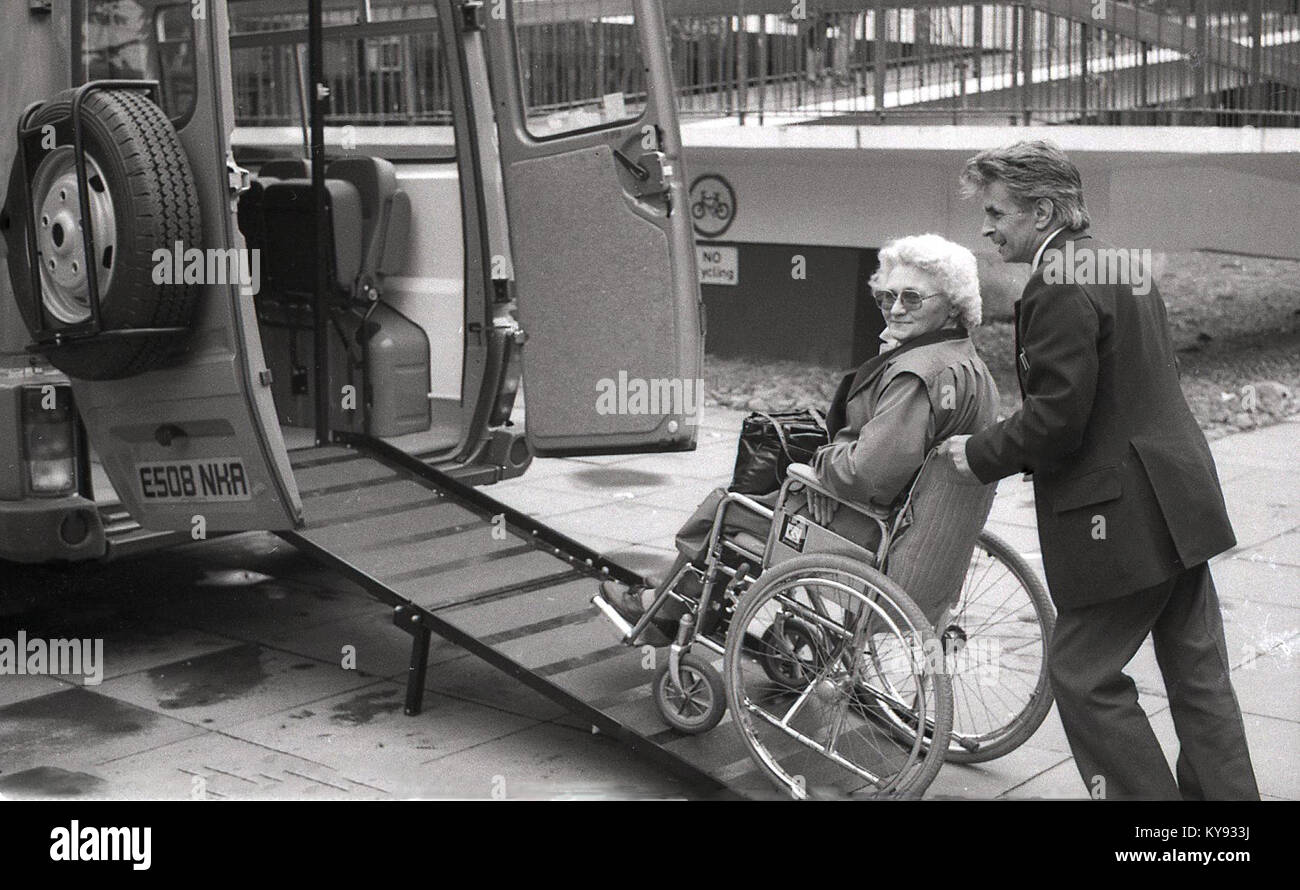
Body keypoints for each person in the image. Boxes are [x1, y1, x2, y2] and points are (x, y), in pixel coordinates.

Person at [941, 139, 1259, 800]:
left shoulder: (1056, 285)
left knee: (1082, 675)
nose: (986, 226)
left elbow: (1058, 420)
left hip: (1120, 518)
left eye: (998, 211)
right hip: (1179, 501)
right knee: (1198, 676)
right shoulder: (1114, 263)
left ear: (1045, 208)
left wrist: (977, 454)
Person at [601, 233, 999, 642]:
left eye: (912, 299)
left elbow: (868, 473)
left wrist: (818, 468)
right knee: (760, 499)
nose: (895, 309)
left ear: (952, 303)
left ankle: (665, 611)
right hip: (918, 537)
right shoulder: (969, 367)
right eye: (886, 297)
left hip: (864, 528)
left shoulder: (917, 374)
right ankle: (677, 597)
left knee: (727, 509)